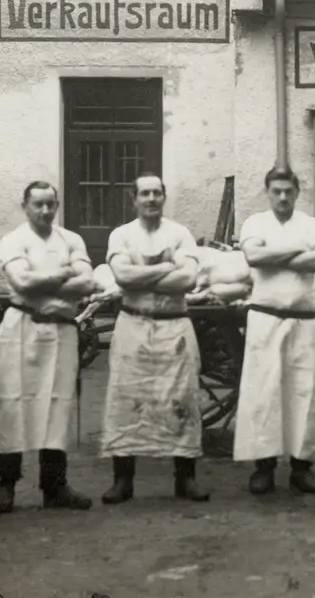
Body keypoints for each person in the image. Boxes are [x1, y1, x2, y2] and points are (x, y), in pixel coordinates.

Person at [101, 174, 210, 503]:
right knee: (126, 400)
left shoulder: (180, 233)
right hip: (133, 325)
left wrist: (141, 277)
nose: (151, 199)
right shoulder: (122, 235)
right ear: (133, 199)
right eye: (145, 193)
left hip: (174, 328)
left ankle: (185, 478)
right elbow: (122, 276)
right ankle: (123, 480)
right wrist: (166, 267)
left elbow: (188, 280)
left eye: (156, 193)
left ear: (164, 197)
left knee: (182, 399)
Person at [0, 182, 98, 512]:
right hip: (22, 326)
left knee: (58, 403)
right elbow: (22, 282)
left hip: (61, 330)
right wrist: (64, 274)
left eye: (51, 204)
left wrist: (45, 281)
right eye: (38, 204)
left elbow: (88, 282)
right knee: (12, 403)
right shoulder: (14, 240)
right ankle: (6, 484)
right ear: (25, 206)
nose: (45, 210)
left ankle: (55, 486)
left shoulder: (71, 240)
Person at [236, 168, 315, 495]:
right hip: (266, 317)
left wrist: (275, 255)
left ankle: (301, 469)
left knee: (302, 391)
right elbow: (254, 256)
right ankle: (263, 468)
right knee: (264, 393)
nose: (282, 197)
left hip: (304, 318)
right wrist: (297, 251)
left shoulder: (311, 224)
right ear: (267, 192)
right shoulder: (255, 223)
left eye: (288, 191)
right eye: (276, 191)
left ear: (297, 193)